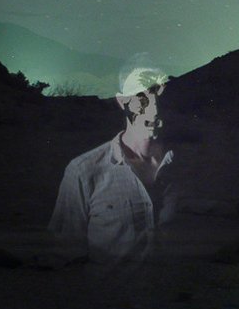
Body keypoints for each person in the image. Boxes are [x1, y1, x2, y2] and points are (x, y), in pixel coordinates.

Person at [50, 63, 176, 267]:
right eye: (141, 98)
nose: (153, 111)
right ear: (122, 101)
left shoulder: (179, 165)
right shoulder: (84, 170)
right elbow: (65, 252)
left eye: (159, 98)